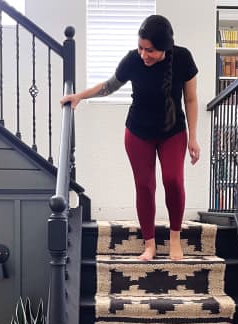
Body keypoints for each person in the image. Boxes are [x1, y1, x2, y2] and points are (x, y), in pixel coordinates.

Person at [60, 14, 199, 260]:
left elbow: (190, 99)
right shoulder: (133, 60)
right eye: (141, 48)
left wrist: (193, 138)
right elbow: (109, 86)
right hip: (137, 132)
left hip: (173, 131)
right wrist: (80, 95)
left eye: (151, 50)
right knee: (144, 186)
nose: (144, 54)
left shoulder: (183, 58)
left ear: (165, 47)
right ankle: (150, 245)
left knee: (173, 181)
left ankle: (175, 239)